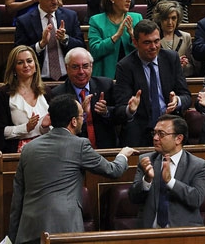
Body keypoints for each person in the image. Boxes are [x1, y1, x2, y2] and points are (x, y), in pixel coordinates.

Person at [8, 94, 138, 244]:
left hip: (29, 230)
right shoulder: (80, 145)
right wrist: (123, 155)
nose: (83, 119)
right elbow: (113, 170)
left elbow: (17, 198)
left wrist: (13, 237)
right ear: (74, 121)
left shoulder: (28, 149)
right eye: (82, 115)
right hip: (63, 230)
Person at [114, 19, 191, 147]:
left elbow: (187, 97)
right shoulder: (125, 66)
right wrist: (130, 109)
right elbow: (120, 108)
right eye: (147, 43)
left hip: (169, 129)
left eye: (156, 41)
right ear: (135, 42)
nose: (153, 47)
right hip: (141, 129)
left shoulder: (171, 59)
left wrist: (177, 101)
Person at [128, 114, 205, 228]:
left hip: (184, 233)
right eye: (154, 133)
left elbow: (196, 199)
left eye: (161, 134)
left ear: (178, 139)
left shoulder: (197, 165)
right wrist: (147, 180)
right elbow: (133, 198)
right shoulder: (146, 160)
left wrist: (170, 182)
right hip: (149, 233)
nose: (155, 138)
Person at [14, 0, 85, 81]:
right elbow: (17, 54)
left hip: (67, 79)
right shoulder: (25, 21)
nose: (55, 1)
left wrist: (65, 39)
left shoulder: (70, 16)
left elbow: (81, 47)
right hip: (38, 79)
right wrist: (41, 44)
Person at [52, 48, 118, 149]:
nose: (81, 71)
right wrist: (81, 114)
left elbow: (119, 117)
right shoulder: (58, 94)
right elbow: (61, 130)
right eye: (75, 67)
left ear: (91, 66)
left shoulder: (106, 85)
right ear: (66, 68)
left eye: (85, 66)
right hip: (74, 151)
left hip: (106, 150)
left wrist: (106, 112)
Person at [0, 45, 52, 154]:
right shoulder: (4, 94)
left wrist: (44, 127)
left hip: (47, 147)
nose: (26, 65)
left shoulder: (46, 91)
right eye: (20, 63)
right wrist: (26, 128)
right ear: (13, 68)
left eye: (29, 61)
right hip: (18, 150)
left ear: (35, 65)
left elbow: (57, 127)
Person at [88, 0, 142, 79]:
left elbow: (144, 50)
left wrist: (132, 35)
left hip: (133, 75)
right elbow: (94, 51)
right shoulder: (96, 21)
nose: (129, 0)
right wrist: (116, 36)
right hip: (105, 76)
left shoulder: (136, 18)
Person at [153, 0, 198, 77]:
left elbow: (193, 68)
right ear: (159, 19)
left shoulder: (185, 37)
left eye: (173, 18)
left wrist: (184, 65)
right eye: (166, 18)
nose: (170, 22)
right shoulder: (154, 38)